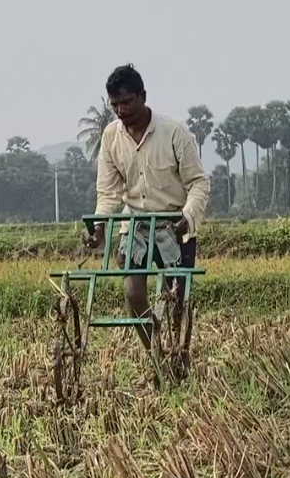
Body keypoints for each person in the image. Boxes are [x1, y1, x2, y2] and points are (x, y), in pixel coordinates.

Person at [86, 64, 211, 350]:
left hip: (173, 226)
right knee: (133, 293)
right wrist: (99, 228)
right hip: (135, 226)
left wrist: (188, 216)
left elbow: (199, 183)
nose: (121, 110)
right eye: (115, 104)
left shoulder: (174, 132)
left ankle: (179, 354)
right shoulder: (110, 137)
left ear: (143, 96)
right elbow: (108, 193)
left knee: (177, 299)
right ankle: (155, 349)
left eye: (127, 102)